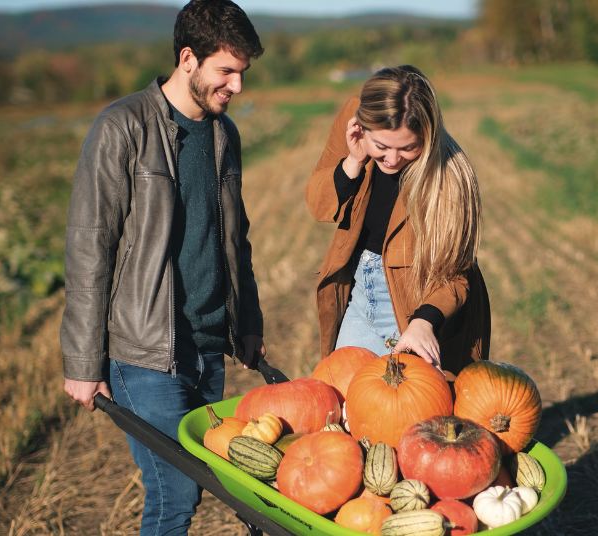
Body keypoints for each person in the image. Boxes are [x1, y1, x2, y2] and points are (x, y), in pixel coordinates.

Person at [60, 1, 265, 533]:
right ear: (188, 58)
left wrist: (247, 323)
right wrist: (83, 363)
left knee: (203, 484)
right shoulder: (122, 128)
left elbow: (234, 241)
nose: (237, 86)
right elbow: (89, 248)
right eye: (227, 71)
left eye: (242, 73)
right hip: (145, 351)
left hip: (206, 347)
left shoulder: (225, 136)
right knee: (174, 494)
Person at [305, 65, 491, 379]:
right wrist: (353, 161)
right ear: (362, 129)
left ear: (428, 136)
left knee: (407, 414)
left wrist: (423, 322)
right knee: (345, 399)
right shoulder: (354, 116)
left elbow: (455, 275)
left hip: (414, 302)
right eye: (382, 147)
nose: (392, 159)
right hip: (360, 292)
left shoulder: (451, 178)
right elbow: (318, 205)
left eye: (408, 148)